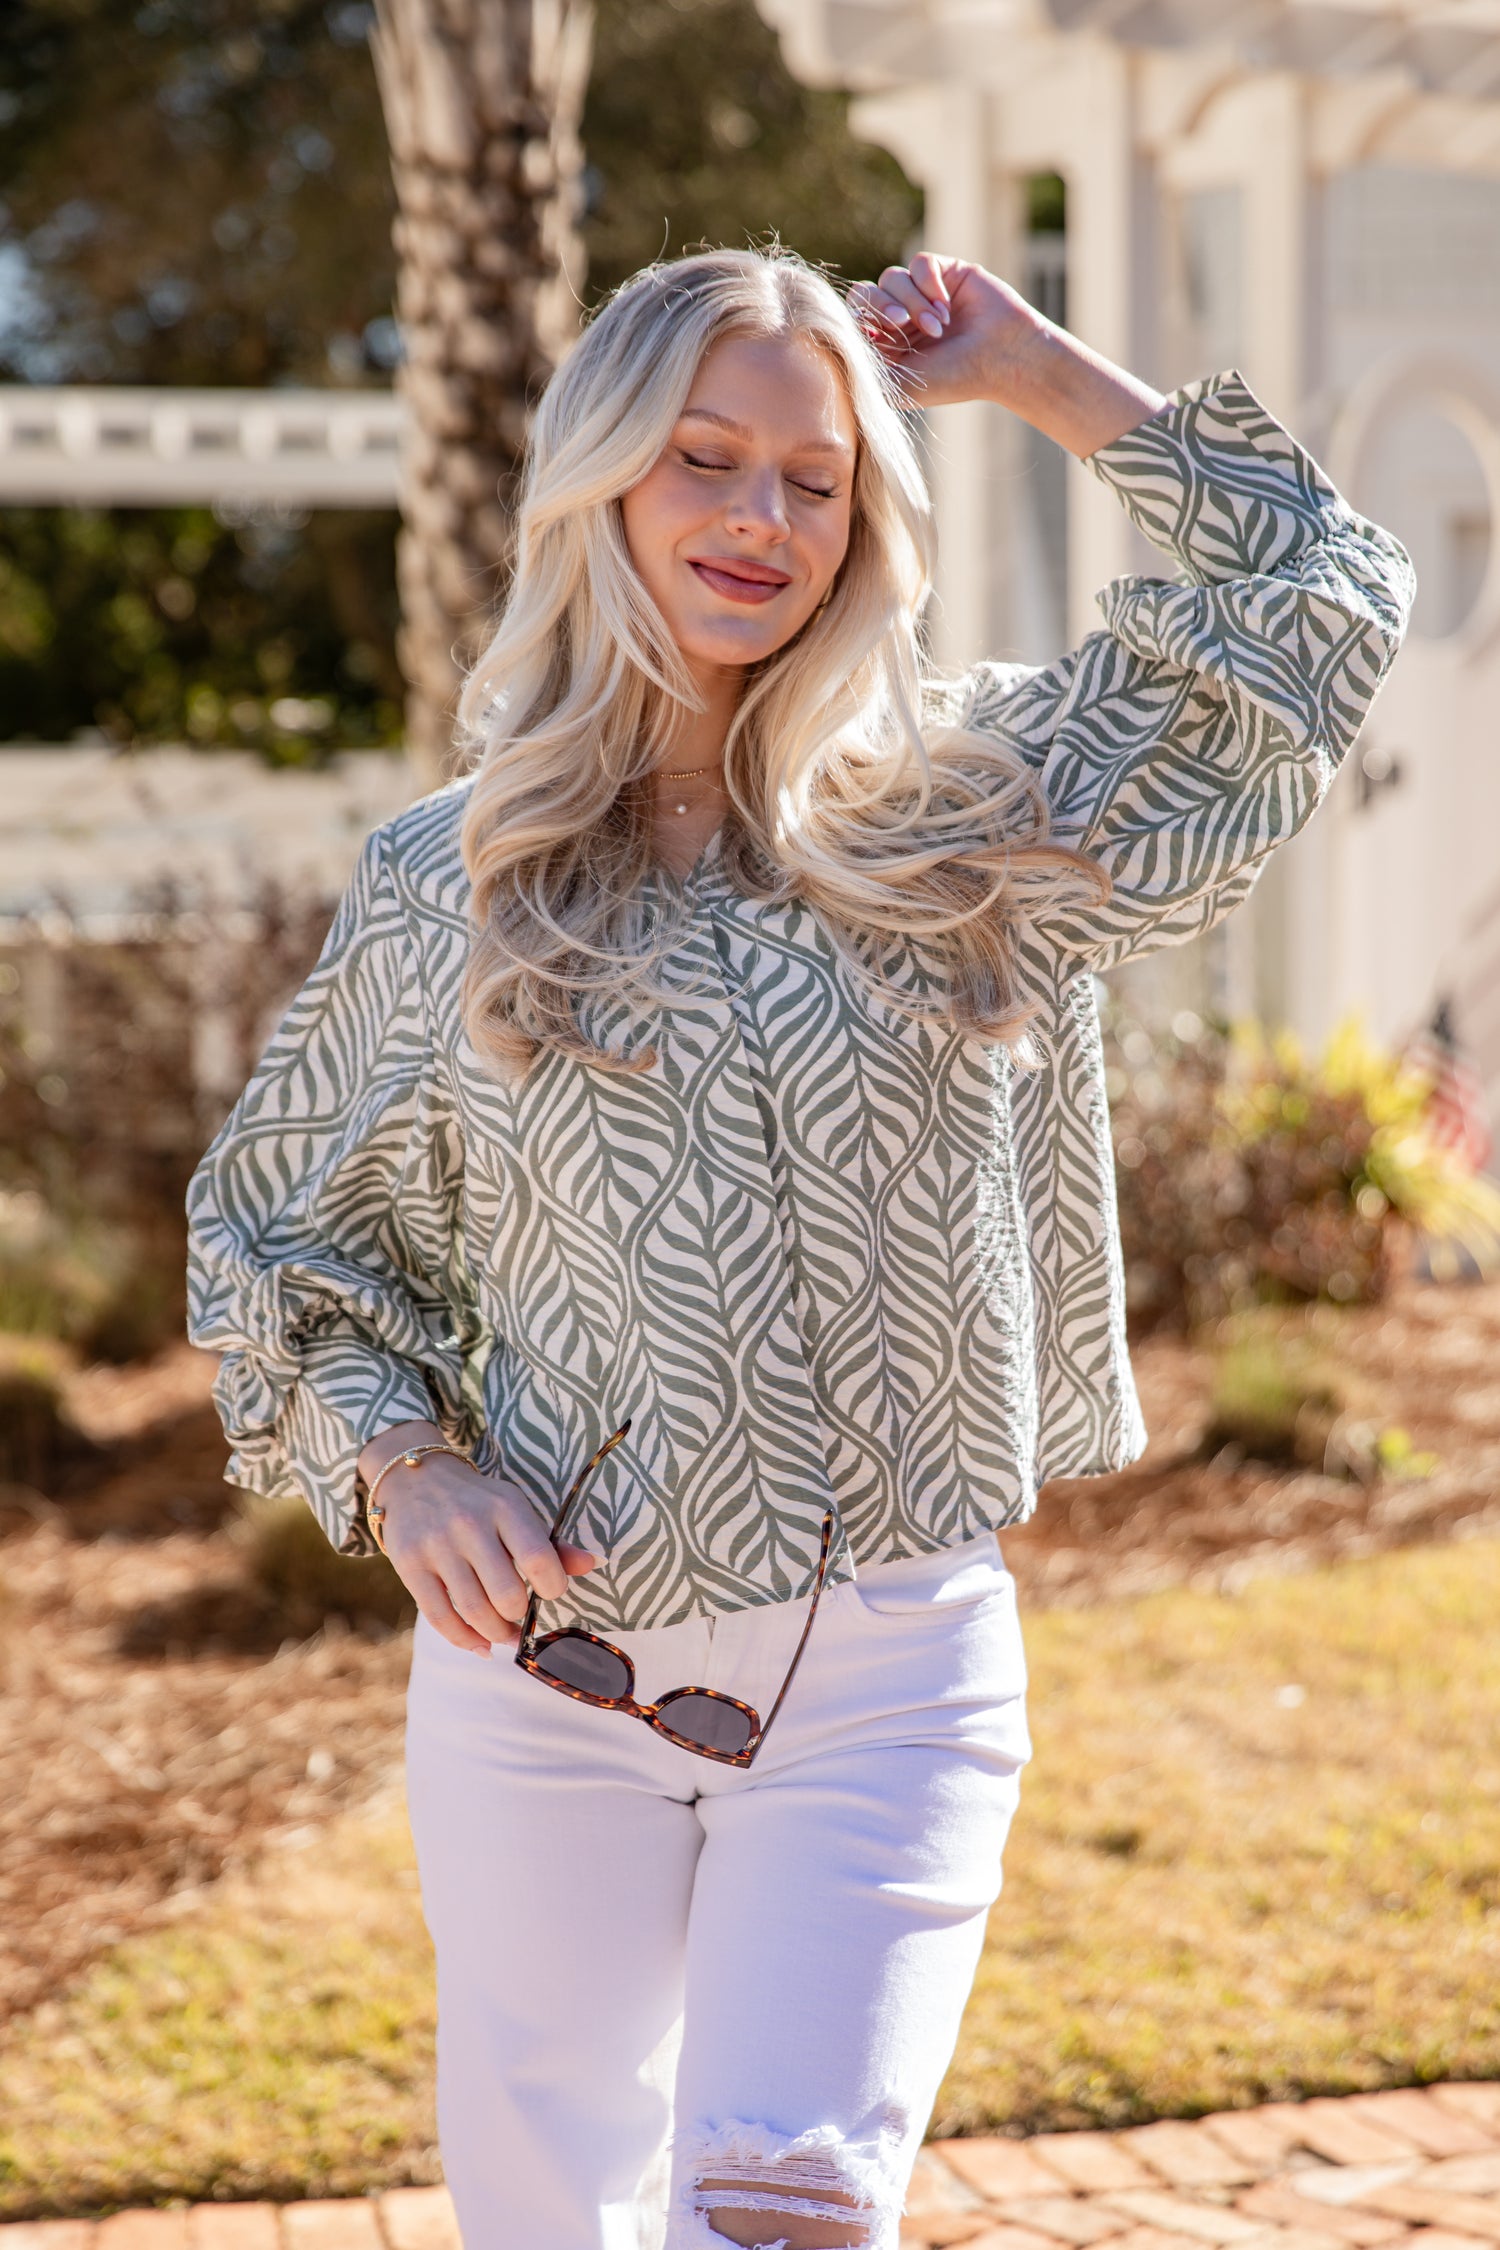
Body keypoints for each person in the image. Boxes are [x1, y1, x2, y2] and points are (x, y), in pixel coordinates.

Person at [186, 246, 1413, 2250]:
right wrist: (404, 1468)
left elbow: (1323, 602)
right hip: (541, 1698)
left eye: (812, 478)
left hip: (887, 1682)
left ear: (863, 520)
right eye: (706, 460)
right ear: (607, 484)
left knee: (781, 2219)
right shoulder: (452, 883)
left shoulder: (972, 815)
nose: (760, 518)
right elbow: (274, 1236)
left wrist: (1026, 369)